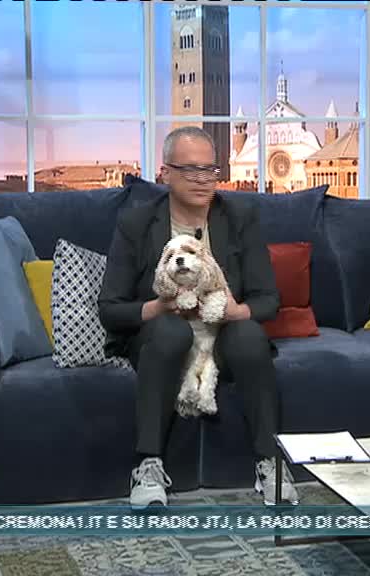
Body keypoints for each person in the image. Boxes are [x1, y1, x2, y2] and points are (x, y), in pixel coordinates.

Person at [99, 126, 298, 508]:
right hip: (162, 335)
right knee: (171, 332)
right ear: (165, 173)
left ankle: (270, 462)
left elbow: (268, 299)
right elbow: (110, 309)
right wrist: (159, 307)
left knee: (250, 336)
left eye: (209, 169)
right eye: (190, 169)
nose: (202, 179)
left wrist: (236, 311)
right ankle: (148, 465)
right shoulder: (136, 223)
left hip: (220, 333)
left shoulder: (240, 217)